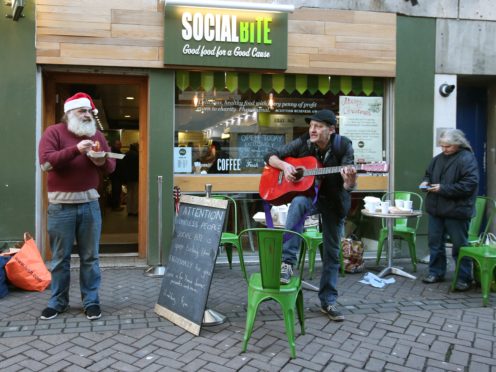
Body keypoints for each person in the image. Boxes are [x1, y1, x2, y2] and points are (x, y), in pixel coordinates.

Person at [264, 109, 357, 322]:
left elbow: (349, 185)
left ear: (331, 129)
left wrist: (349, 182)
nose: (312, 130)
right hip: (311, 198)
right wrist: (286, 165)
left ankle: (328, 301)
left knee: (331, 254)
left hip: (334, 203)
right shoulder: (305, 142)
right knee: (297, 202)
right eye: (311, 125)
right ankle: (287, 263)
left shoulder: (343, 146)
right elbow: (269, 155)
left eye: (318, 126)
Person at [38, 92, 116, 320]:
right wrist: (76, 150)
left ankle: (91, 301)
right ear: (70, 113)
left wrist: (101, 160)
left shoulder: (97, 134)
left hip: (90, 205)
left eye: (89, 111)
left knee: (90, 257)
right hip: (61, 207)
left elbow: (110, 167)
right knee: (60, 258)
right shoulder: (53, 132)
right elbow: (46, 163)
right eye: (83, 111)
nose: (88, 114)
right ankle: (57, 302)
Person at [420, 128, 479, 291]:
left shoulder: (467, 159)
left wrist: (442, 189)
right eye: (442, 146)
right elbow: (428, 174)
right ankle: (436, 272)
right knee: (435, 243)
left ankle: (464, 278)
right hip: (437, 209)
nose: (444, 149)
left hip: (457, 210)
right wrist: (425, 183)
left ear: (458, 144)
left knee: (460, 245)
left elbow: (469, 185)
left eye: (448, 146)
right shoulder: (437, 159)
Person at [123, 142, 139, 216]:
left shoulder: (126, 154)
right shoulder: (137, 155)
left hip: (128, 178)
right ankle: (135, 211)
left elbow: (124, 167)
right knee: (135, 194)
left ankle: (129, 211)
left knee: (129, 194)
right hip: (136, 178)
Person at [109, 139, 124, 211]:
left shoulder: (115, 151)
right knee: (116, 191)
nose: (120, 146)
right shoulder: (114, 152)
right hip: (116, 175)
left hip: (116, 175)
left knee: (117, 190)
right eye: (118, 144)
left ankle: (116, 205)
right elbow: (117, 162)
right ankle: (115, 206)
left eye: (120, 144)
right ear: (115, 144)